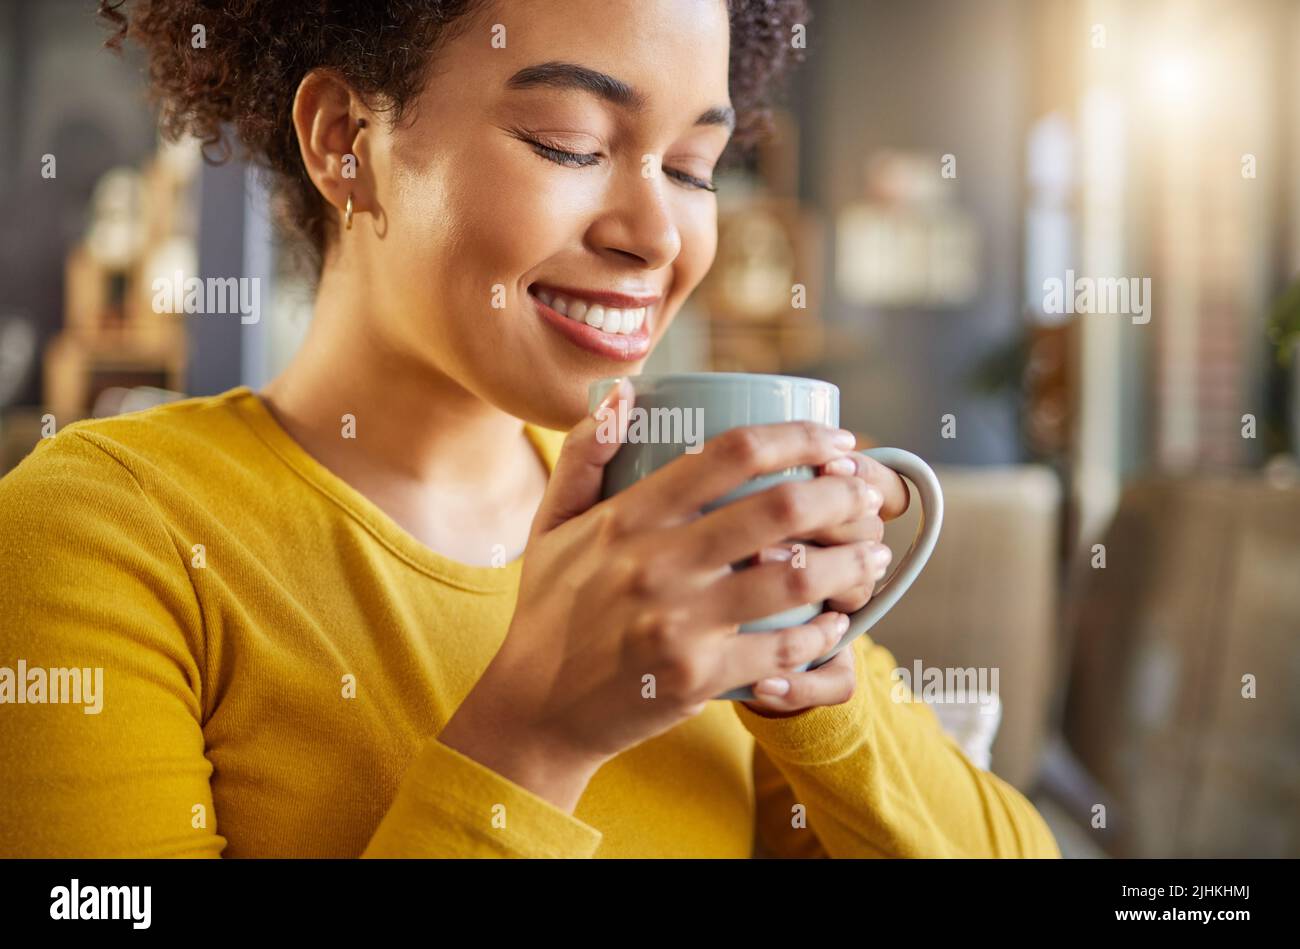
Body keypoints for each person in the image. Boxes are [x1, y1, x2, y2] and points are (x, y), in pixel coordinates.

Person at [0, 0, 1060, 858]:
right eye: (570, 144)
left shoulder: (673, 526)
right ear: (344, 142)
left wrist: (820, 696)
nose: (657, 235)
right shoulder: (96, 536)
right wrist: (530, 742)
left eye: (694, 168)